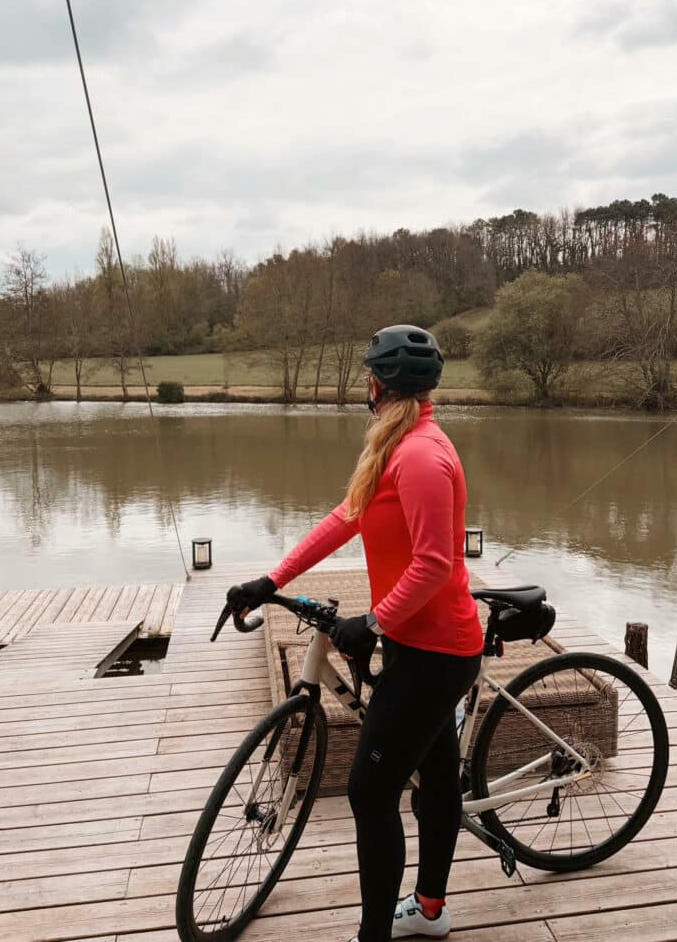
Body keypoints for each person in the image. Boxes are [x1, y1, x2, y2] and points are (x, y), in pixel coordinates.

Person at [230, 324, 483, 942]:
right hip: (419, 643)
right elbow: (347, 517)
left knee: (371, 793)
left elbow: (433, 564)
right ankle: (429, 911)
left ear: (379, 385)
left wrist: (373, 621)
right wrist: (271, 577)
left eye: (368, 377)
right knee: (439, 778)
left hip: (434, 651)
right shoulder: (395, 446)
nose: (363, 386)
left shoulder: (422, 455)